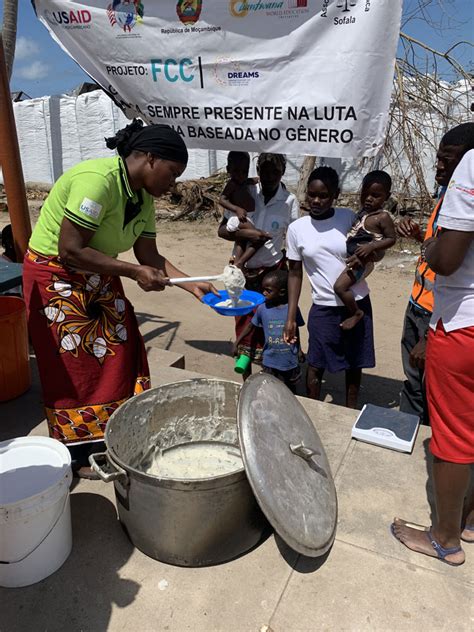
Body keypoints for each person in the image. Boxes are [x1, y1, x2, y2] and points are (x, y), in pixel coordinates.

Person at [23, 120, 216, 477]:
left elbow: (149, 256)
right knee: (75, 362)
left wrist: (192, 285)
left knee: (120, 348)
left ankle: (111, 434)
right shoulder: (98, 182)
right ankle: (77, 453)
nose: (173, 184)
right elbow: (70, 250)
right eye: (172, 173)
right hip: (57, 276)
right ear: (151, 159)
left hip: (96, 271)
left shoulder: (142, 198)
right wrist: (131, 273)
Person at [392, 146, 474, 566]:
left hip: (463, 324)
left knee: (453, 439)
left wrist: (429, 246)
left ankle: (444, 538)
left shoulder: (473, 165)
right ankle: (469, 518)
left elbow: (447, 258)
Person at [397, 122, 474, 425]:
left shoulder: (466, 200)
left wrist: (430, 335)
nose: (438, 166)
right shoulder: (448, 197)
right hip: (418, 307)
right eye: (438, 158)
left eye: (448, 159)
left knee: (432, 393)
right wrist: (421, 239)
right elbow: (439, 249)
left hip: (440, 317)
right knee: (414, 382)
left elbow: (450, 265)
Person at [284, 166, 375, 409]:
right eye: (311, 194)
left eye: (323, 195)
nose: (316, 200)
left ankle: (350, 410)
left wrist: (360, 273)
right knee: (315, 362)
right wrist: (291, 316)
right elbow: (294, 273)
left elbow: (371, 255)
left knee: (354, 363)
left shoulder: (349, 218)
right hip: (324, 307)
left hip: (356, 302)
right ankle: (313, 412)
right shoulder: (297, 229)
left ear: (335, 194)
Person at [218, 153, 299, 379]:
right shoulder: (246, 190)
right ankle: (247, 380)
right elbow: (222, 230)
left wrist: (292, 273)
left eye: (275, 171)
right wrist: (248, 234)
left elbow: (292, 241)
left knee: (271, 326)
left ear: (283, 172)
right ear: (258, 170)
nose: (269, 176)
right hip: (242, 273)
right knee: (244, 323)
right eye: (264, 170)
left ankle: (272, 379)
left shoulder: (289, 201)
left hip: (272, 272)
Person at [334, 171, 396, 330]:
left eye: (375, 195)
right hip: (353, 258)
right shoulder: (363, 213)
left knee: (340, 287)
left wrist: (372, 247)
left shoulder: (382, 217)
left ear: (386, 197)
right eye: (365, 194)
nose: (369, 199)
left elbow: (391, 239)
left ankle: (356, 312)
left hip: (362, 262)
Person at [233, 269, 304, 392]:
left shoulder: (292, 310)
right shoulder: (262, 309)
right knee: (270, 389)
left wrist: (299, 349)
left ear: (282, 292)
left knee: (291, 390)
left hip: (289, 360)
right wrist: (237, 342)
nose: (264, 293)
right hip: (270, 361)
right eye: (263, 289)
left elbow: (295, 329)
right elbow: (250, 326)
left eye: (268, 290)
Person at [219, 151, 263, 269]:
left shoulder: (244, 181)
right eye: (236, 171)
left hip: (246, 216)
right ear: (229, 169)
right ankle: (241, 262)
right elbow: (222, 200)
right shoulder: (232, 184)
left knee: (242, 241)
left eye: (244, 171)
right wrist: (237, 209)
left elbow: (252, 180)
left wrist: (258, 179)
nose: (241, 175)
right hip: (237, 218)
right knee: (257, 237)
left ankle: (238, 264)